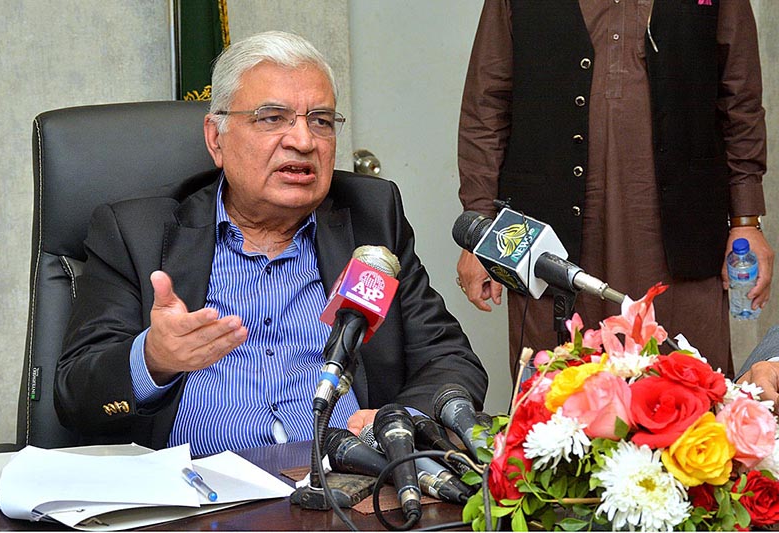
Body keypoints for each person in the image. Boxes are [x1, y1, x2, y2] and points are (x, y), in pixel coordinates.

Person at [54, 31, 487, 456]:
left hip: (348, 488)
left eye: (320, 120)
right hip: (202, 505)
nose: (302, 141)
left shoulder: (371, 216)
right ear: (215, 138)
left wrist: (397, 425)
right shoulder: (138, 232)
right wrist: (154, 358)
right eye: (271, 118)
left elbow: (449, 359)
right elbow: (75, 395)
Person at [456, 0, 773, 379]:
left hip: (684, 239)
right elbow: (485, 108)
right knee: (556, 413)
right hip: (546, 238)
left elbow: (741, 103)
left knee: (691, 405)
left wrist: (746, 220)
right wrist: (480, 233)